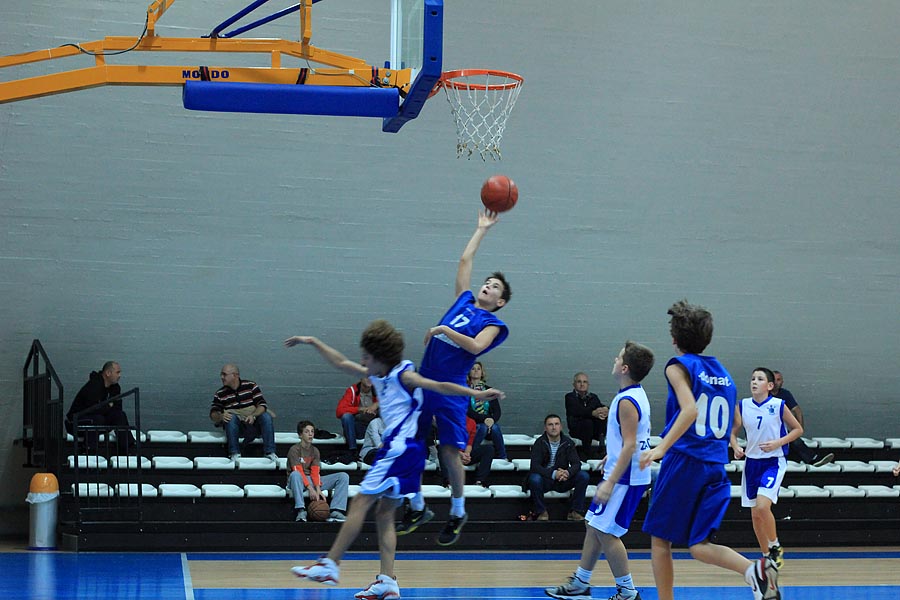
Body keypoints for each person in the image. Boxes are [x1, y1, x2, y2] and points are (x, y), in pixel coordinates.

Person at [285, 320, 505, 598]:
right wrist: (313, 341)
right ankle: (388, 580)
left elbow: (439, 385)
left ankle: (330, 564)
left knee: (362, 501)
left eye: (367, 356)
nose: (363, 360)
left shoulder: (405, 376)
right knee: (384, 512)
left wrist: (476, 393)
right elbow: (341, 363)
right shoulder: (377, 374)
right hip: (406, 453)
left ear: (381, 357)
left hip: (400, 450)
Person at [639, 300, 780, 600]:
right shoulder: (725, 376)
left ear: (674, 338)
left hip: (685, 461)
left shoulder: (678, 366)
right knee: (698, 545)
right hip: (715, 467)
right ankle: (753, 571)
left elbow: (689, 410)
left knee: (660, 541)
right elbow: (731, 421)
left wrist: (660, 448)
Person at [408, 209, 511, 546]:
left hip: (452, 388)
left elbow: (476, 346)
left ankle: (456, 510)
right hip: (425, 380)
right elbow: (465, 261)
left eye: (494, 287)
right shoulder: (464, 300)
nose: (486, 286)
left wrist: (445, 329)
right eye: (487, 282)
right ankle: (417, 505)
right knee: (411, 443)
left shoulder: (492, 324)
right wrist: (481, 229)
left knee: (450, 451)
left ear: (501, 301)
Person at [545, 341, 655, 600]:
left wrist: (610, 482)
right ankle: (581, 583)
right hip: (623, 470)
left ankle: (627, 590)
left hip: (626, 477)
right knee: (593, 524)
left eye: (618, 358)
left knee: (606, 531)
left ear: (625, 367)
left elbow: (630, 444)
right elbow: (633, 439)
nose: (614, 360)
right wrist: (611, 455)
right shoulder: (635, 394)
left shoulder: (627, 400)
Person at [731, 367, 804, 570]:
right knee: (755, 514)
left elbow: (798, 429)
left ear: (770, 386)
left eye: (760, 379)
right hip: (752, 463)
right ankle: (767, 557)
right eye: (753, 378)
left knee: (763, 506)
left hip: (773, 461)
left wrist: (778, 442)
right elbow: (732, 431)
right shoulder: (743, 405)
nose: (754, 381)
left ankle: (775, 546)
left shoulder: (779, 405)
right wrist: (736, 446)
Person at [527, 414, 589, 521]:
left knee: (583, 476)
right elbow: (535, 466)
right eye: (550, 425)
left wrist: (567, 473)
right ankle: (541, 512)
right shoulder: (539, 443)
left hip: (563, 479)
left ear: (561, 427)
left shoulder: (568, 443)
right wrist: (553, 473)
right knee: (534, 478)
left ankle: (575, 511)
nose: (554, 427)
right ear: (545, 428)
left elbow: (576, 464)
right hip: (546, 480)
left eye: (556, 424)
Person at [65, 361, 136, 455]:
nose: (120, 375)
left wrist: (106, 407)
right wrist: (109, 405)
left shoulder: (115, 388)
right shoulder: (94, 385)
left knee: (120, 416)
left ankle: (128, 450)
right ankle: (89, 452)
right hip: (76, 422)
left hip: (99, 420)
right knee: (97, 419)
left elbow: (117, 408)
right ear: (108, 373)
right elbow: (91, 409)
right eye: (117, 372)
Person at [210, 364, 277, 462]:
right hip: (236, 428)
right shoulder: (220, 394)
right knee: (231, 418)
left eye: (224, 374)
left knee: (266, 416)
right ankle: (234, 453)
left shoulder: (251, 386)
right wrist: (221, 416)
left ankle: (270, 452)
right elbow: (213, 414)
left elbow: (262, 405)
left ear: (235, 375)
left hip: (254, 425)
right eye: (221, 374)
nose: (222, 377)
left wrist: (253, 415)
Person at [287, 420, 350, 523]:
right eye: (307, 431)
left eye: (312, 431)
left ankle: (336, 510)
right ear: (300, 435)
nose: (310, 434)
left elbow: (315, 472)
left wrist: (317, 488)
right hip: (297, 481)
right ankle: (301, 510)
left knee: (343, 476)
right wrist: (310, 489)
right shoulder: (294, 450)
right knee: (295, 474)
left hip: (311, 480)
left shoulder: (315, 450)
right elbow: (298, 471)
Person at [772, 370, 833, 467]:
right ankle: (813, 459)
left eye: (778, 380)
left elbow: (797, 410)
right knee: (792, 440)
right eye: (773, 380)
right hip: (766, 430)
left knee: (793, 438)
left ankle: (806, 460)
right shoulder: (763, 394)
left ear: (782, 382)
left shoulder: (785, 394)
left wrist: (799, 428)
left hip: (779, 430)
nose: (775, 382)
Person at [467, 361, 509, 461]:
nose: (476, 371)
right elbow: (468, 412)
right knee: (482, 427)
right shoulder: (466, 390)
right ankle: (472, 453)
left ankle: (502, 456)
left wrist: (491, 420)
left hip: (489, 423)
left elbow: (497, 412)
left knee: (495, 428)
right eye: (473, 368)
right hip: (473, 423)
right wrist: (486, 419)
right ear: (469, 373)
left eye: (478, 369)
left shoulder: (489, 390)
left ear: (482, 372)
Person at [440, 415, 495, 487]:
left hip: (465, 453)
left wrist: (467, 454)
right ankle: (449, 481)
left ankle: (480, 481)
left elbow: (470, 443)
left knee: (489, 449)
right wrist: (461, 455)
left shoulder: (471, 422)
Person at [565, 372, 609, 460]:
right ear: (574, 384)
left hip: (593, 430)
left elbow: (599, 407)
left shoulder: (593, 397)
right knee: (587, 422)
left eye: (584, 382)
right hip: (577, 429)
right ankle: (587, 453)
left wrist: (605, 409)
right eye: (579, 382)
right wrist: (592, 413)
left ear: (588, 384)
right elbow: (577, 411)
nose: (582, 384)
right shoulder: (570, 397)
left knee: (601, 416)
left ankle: (602, 446)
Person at [336, 378, 379, 456]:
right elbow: (339, 411)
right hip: (357, 428)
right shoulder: (352, 390)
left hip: (373, 428)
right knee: (346, 417)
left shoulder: (378, 391)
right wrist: (360, 409)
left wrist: (377, 404)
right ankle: (352, 450)